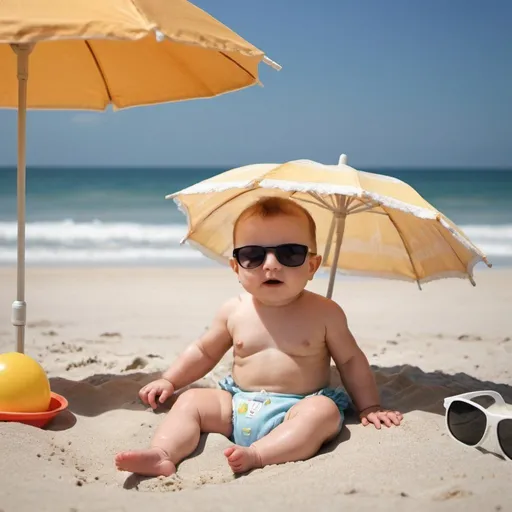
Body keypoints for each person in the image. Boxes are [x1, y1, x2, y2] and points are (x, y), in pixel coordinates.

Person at [115, 196, 402, 477]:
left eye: (290, 254)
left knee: (323, 412)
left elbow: (350, 361)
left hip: (298, 406)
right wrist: (171, 380)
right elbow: (204, 351)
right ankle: (163, 454)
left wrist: (369, 406)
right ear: (236, 267)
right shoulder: (234, 310)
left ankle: (259, 454)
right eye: (253, 255)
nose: (271, 264)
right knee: (190, 401)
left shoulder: (326, 313)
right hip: (238, 403)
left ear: (312, 266)